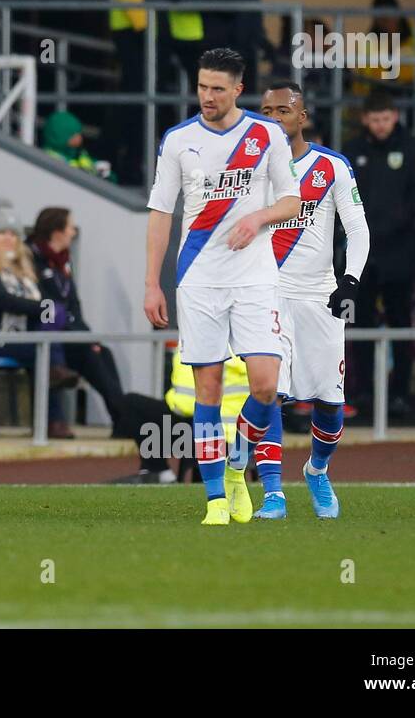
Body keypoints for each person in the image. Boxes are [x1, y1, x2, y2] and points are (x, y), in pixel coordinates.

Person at [144, 47, 300, 525]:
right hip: (198, 279)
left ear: (237, 89)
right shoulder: (178, 140)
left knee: (267, 386)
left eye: (217, 88)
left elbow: (292, 202)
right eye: (201, 86)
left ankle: (238, 461)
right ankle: (215, 497)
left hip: (254, 277)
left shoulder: (266, 135)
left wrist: (258, 216)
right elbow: (160, 213)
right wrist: (153, 283)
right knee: (206, 389)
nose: (207, 96)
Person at [253, 82, 371, 520]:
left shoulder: (330, 166)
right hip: (268, 293)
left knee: (329, 401)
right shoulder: (250, 170)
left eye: (282, 110)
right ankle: (272, 493)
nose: (272, 118)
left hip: (319, 295)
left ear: (302, 117)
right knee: (271, 393)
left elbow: (357, 230)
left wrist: (350, 281)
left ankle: (317, 470)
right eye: (265, 110)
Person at [27, 206, 178, 478]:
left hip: (68, 334)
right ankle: (122, 416)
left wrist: (87, 335)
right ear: (57, 230)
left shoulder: (63, 259)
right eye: (70, 227)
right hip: (44, 335)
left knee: (101, 352)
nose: (74, 232)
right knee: (92, 356)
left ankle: (120, 417)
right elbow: (46, 305)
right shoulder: (33, 258)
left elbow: (73, 304)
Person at [0, 199, 78, 439]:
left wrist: (47, 307)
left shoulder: (26, 266)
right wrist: (41, 308)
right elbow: (1, 299)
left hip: (22, 338)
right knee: (44, 352)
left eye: (13, 234)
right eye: (2, 233)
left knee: (45, 347)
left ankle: (53, 417)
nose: (8, 238)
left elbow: (48, 300)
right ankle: (53, 420)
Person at [343, 89, 415, 417]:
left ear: (395, 116)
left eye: (385, 119)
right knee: (361, 322)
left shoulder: (412, 149)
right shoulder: (352, 150)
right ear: (366, 119)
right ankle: (363, 391)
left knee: (399, 323)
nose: (380, 125)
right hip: (362, 254)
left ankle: (400, 394)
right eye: (375, 119)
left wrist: (398, 219)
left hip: (399, 252)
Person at [107, 0, 175, 184]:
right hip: (132, 29)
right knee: (135, 95)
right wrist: (143, 23)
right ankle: (119, 160)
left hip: (151, 29)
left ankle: (136, 161)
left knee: (146, 96)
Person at [41, 109, 114, 181]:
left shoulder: (79, 154)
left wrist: (106, 174)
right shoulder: (47, 159)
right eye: (73, 134)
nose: (79, 138)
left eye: (79, 133)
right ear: (59, 136)